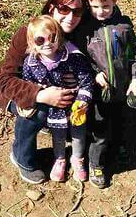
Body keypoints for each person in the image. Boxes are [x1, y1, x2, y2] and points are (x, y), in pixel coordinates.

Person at [0, 0, 90, 184]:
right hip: (20, 92)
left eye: (77, 11)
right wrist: (39, 94)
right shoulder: (29, 34)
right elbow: (4, 79)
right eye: (64, 9)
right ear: (51, 8)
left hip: (64, 94)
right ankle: (22, 156)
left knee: (88, 109)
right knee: (38, 110)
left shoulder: (79, 36)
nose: (71, 17)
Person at [81, 0, 136, 189]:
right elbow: (81, 58)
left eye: (106, 6)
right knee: (99, 129)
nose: (100, 11)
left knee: (119, 123)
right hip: (100, 91)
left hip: (122, 88)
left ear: (115, 1)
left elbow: (135, 54)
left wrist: (135, 78)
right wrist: (95, 73)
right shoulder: (86, 29)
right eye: (95, 6)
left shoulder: (124, 26)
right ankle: (96, 163)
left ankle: (117, 149)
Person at [21, 15, 94, 182]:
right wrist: (41, 93)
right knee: (58, 136)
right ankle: (60, 159)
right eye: (40, 40)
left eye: (51, 37)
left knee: (78, 134)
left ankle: (77, 159)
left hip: (75, 105)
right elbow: (28, 84)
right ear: (32, 43)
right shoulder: (30, 64)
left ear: (58, 37)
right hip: (54, 109)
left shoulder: (72, 58)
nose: (47, 43)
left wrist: (83, 99)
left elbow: (86, 80)